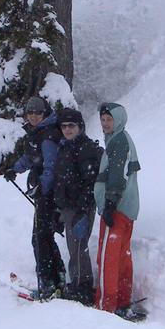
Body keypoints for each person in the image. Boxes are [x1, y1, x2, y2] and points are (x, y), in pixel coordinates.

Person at [4, 96, 66, 299]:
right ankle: (58, 279)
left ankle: (48, 284)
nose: (33, 116)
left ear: (45, 113)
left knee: (39, 238)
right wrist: (15, 169)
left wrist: (43, 189)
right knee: (45, 236)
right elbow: (31, 157)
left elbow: (50, 165)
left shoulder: (47, 136)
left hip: (49, 195)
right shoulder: (38, 133)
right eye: (30, 113)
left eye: (38, 112)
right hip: (45, 193)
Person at [93, 102, 141, 317]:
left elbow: (117, 175)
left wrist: (110, 204)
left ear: (118, 120)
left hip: (117, 208)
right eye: (103, 120)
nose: (105, 124)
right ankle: (122, 300)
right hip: (127, 208)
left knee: (108, 259)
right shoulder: (121, 138)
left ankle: (106, 306)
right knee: (122, 256)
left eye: (109, 119)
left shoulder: (118, 142)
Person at [53, 107, 102, 305]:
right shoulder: (66, 147)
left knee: (78, 247)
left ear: (80, 126)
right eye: (64, 126)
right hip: (68, 207)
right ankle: (78, 283)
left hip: (81, 207)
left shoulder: (85, 148)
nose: (67, 129)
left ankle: (83, 286)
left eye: (71, 125)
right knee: (74, 246)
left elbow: (90, 182)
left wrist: (82, 208)